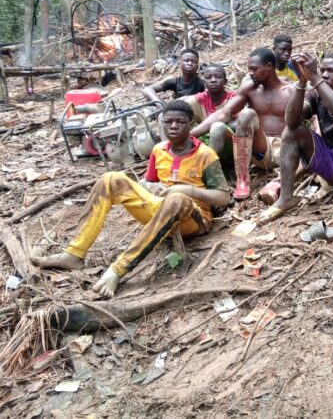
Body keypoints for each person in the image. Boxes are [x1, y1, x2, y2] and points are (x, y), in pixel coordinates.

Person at [31, 100, 230, 297]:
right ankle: (74, 253)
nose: (174, 126)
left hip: (193, 219)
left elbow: (223, 197)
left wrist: (188, 190)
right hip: (160, 209)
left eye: (180, 122)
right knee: (110, 178)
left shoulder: (205, 154)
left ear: (191, 124)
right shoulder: (159, 149)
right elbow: (146, 182)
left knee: (177, 198)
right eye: (168, 122)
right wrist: (152, 186)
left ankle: (117, 270)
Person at [259, 51, 333, 225]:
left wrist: (315, 77)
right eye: (322, 70)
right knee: (291, 131)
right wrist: (302, 81)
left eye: (331, 71)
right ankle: (285, 198)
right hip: (331, 166)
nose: (324, 75)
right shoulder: (315, 94)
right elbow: (291, 121)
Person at [191, 48, 294, 200]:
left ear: (269, 66)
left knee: (247, 114)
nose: (250, 73)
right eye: (249, 69)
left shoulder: (290, 89)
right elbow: (224, 113)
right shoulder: (250, 88)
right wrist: (190, 134)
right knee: (238, 118)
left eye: (254, 69)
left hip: (285, 149)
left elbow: (309, 117)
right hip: (260, 149)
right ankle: (241, 181)